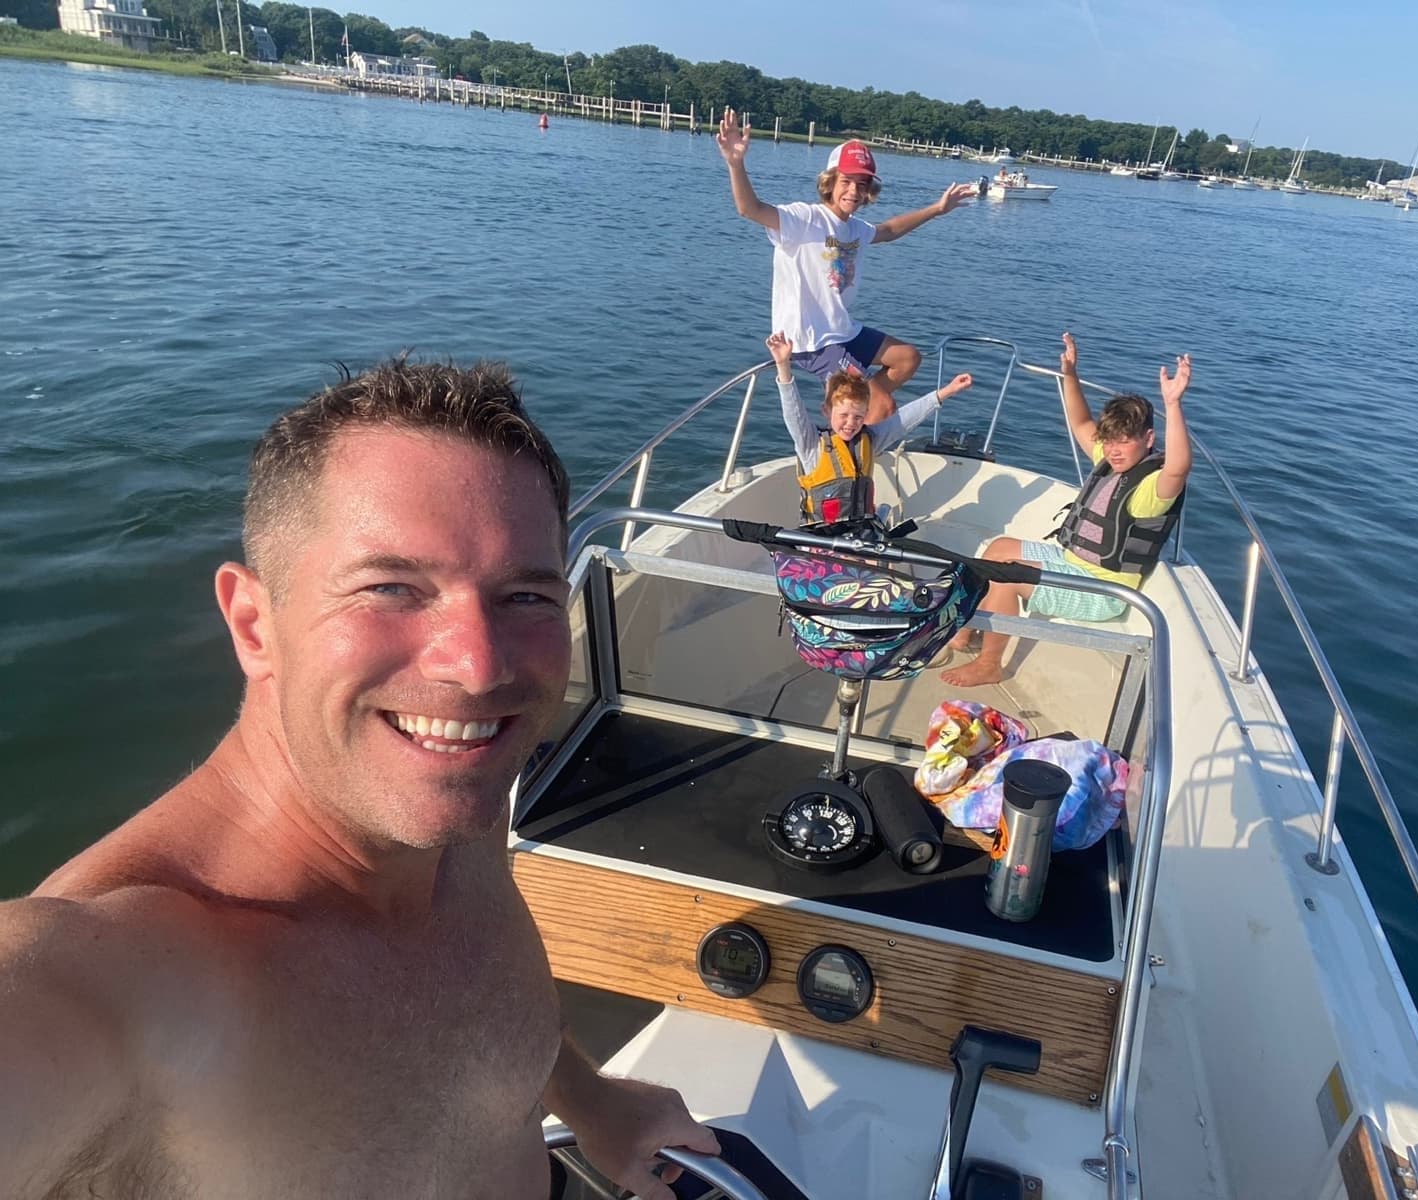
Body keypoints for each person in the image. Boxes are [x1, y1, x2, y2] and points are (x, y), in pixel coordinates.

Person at [0, 359, 718, 1199]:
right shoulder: (122, 979)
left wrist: (594, 1102)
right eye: (391, 588)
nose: (477, 668)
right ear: (253, 624)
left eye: (525, 595)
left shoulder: (457, 802)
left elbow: (467, 1003)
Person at [941, 333, 1193, 687]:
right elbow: (1080, 423)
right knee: (996, 549)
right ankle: (967, 633)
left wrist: (1174, 404)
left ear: (1148, 439)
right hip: (1072, 562)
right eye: (1110, 440)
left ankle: (990, 664)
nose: (1115, 450)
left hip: (1102, 589)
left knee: (1007, 574)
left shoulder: (1149, 490)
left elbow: (1179, 468)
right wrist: (1071, 374)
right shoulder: (1109, 460)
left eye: (1125, 441)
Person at [718, 106, 976, 424]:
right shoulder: (804, 219)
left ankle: (848, 419)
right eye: (847, 181)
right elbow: (750, 208)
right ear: (830, 181)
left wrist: (937, 209)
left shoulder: (854, 228)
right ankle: (854, 444)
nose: (854, 191)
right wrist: (735, 162)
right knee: (881, 407)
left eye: (862, 185)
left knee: (907, 359)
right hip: (812, 340)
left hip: (841, 330)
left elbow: (889, 230)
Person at [768, 330, 973, 525]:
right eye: (843, 415)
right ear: (827, 411)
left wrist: (946, 392)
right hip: (821, 539)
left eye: (858, 417)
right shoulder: (811, 444)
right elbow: (793, 411)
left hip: (860, 534)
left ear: (866, 415)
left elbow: (904, 420)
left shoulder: (869, 440)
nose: (850, 423)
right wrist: (783, 365)